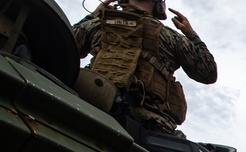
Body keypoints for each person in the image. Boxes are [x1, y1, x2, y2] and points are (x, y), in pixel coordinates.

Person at [73, 0, 217, 135]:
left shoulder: (97, 24)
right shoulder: (171, 37)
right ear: (159, 5)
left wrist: (93, 15)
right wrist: (191, 34)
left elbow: (66, 44)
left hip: (91, 111)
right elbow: (208, 73)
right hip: (151, 125)